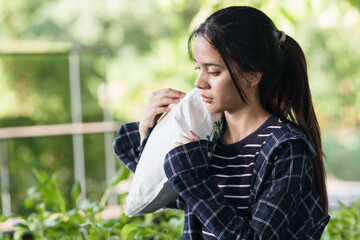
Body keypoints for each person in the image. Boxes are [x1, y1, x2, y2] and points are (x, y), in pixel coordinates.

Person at [113, 6, 330, 239]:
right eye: (199, 68)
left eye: (213, 72)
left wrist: (196, 180)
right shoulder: (206, 133)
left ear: (253, 75)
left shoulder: (285, 148)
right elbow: (174, 196)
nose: (199, 82)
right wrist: (148, 135)